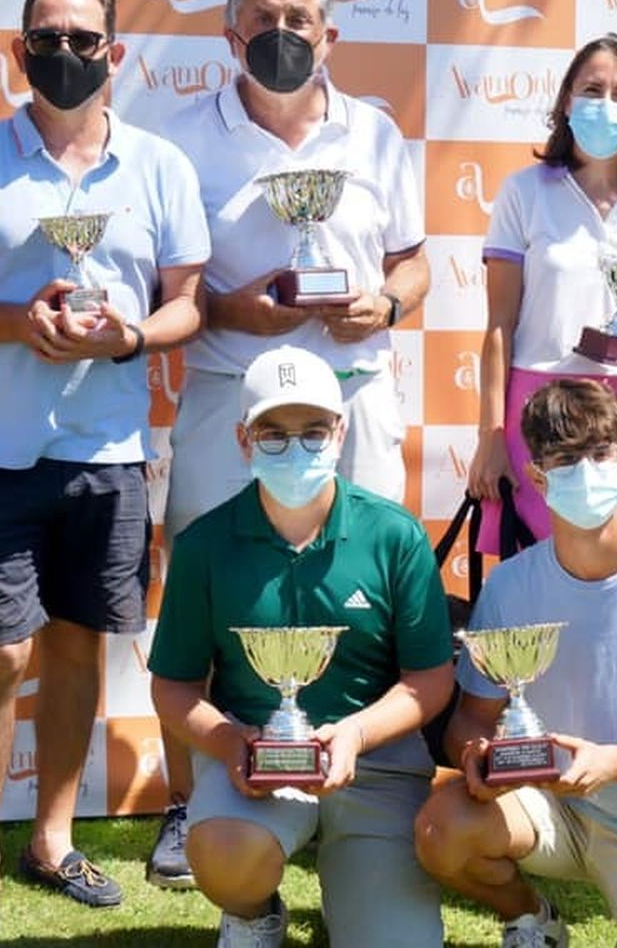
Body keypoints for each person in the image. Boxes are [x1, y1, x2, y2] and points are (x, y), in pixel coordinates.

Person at [0, 0, 209, 935]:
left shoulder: (159, 167)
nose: (63, 54)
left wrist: (132, 337)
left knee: (77, 650)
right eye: (46, 37)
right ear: (18, 49)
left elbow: (188, 299)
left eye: (82, 39)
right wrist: (9, 319)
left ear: (116, 55)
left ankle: (54, 838)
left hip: (108, 452)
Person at [143, 0, 429, 889]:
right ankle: (195, 806)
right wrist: (234, 309)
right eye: (260, 20)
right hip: (232, 394)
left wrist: (386, 306)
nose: (279, 35)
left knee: (378, 590)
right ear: (230, 34)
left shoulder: (379, 135)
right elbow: (168, 286)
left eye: (296, 20)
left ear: (330, 33)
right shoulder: (179, 138)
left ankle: (369, 789)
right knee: (203, 591)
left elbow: (415, 264)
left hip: (353, 393)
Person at [415, 378, 617, 948]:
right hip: (538, 807)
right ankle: (532, 918)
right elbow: (474, 718)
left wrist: (613, 763)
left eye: (600, 454)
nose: (587, 471)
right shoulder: (511, 584)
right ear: (539, 478)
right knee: (438, 828)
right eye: (567, 459)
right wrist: (475, 757)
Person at [148, 345, 453, 947]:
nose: (296, 449)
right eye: (274, 434)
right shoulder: (205, 543)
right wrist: (229, 741)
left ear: (340, 434)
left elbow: (430, 679)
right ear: (242, 439)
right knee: (226, 856)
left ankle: (357, 890)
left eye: (313, 432)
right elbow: (173, 685)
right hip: (254, 765)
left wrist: (357, 735)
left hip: (377, 765)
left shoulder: (395, 535)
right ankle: (254, 911)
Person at [467, 34, 617, 554]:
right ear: (566, 100)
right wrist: (491, 435)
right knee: (535, 574)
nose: (604, 105)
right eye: (592, 89)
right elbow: (500, 324)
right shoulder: (525, 191)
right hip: (538, 406)